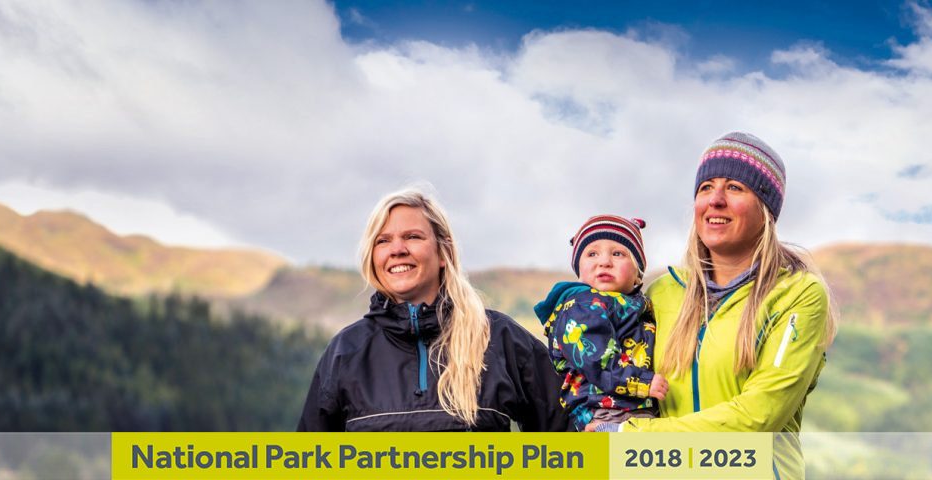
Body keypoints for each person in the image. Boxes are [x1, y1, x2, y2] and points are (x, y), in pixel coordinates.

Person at [591, 132, 837, 479]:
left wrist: (628, 436)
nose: (715, 200)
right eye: (706, 187)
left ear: (765, 207)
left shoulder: (798, 295)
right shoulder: (661, 293)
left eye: (735, 187)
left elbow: (759, 416)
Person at [298, 186, 568, 432]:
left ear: (443, 253)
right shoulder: (346, 351)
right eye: (382, 241)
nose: (397, 249)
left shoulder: (499, 338)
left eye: (412, 236)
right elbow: (306, 464)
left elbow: (571, 444)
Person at [532, 215, 669, 431]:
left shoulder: (634, 305)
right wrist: (642, 381)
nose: (604, 261)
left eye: (618, 253)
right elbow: (597, 360)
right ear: (579, 272)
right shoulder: (583, 306)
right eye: (592, 253)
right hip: (605, 410)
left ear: (638, 275)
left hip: (633, 407)